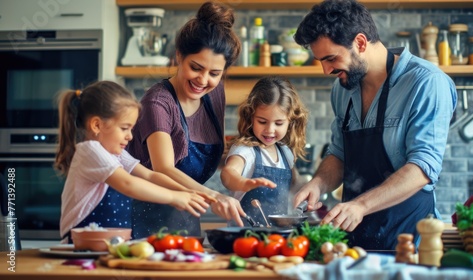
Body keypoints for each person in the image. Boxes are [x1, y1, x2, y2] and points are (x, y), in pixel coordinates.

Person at [292, 0, 457, 250]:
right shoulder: (342, 88)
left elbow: (423, 166)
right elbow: (338, 154)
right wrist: (317, 184)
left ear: (360, 42)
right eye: (320, 61)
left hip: (408, 242)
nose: (326, 70)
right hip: (351, 243)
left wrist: (360, 206)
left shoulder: (427, 83)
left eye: (331, 58)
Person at [126, 1, 244, 238]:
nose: (203, 80)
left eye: (214, 73)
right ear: (179, 56)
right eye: (196, 67)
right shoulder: (157, 103)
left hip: (188, 213)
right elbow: (164, 168)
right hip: (147, 220)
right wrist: (213, 195)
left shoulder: (215, 93)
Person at [55, 81, 213, 243]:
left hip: (110, 244)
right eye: (124, 128)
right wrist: (174, 197)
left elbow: (150, 176)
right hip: (80, 244)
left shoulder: (116, 155)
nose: (130, 136)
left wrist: (185, 191)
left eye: (131, 129)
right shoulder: (90, 151)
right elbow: (128, 184)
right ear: (97, 125)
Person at [220, 76, 309, 226]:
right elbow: (227, 174)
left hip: (276, 237)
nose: (270, 130)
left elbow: (296, 184)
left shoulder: (285, 152)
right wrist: (243, 183)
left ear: (290, 121)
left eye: (279, 123)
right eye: (262, 121)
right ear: (251, 117)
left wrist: (310, 193)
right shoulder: (245, 150)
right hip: (245, 237)